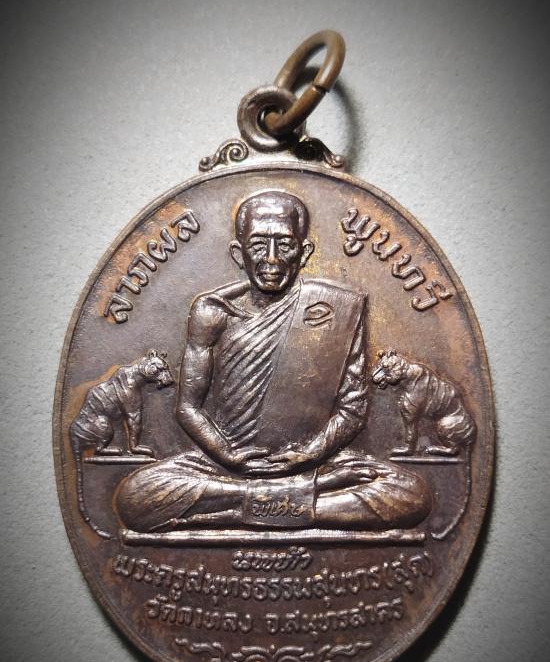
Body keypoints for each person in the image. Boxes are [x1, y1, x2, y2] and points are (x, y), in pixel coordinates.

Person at [115, 191, 431, 532]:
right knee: (134, 496)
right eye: (258, 245)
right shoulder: (212, 311)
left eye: (285, 245)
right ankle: (292, 504)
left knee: (411, 494)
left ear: (304, 252)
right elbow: (188, 407)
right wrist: (227, 455)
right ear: (238, 253)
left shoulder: (339, 307)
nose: (271, 258)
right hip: (225, 468)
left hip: (315, 465)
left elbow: (353, 410)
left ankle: (241, 508)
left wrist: (308, 456)